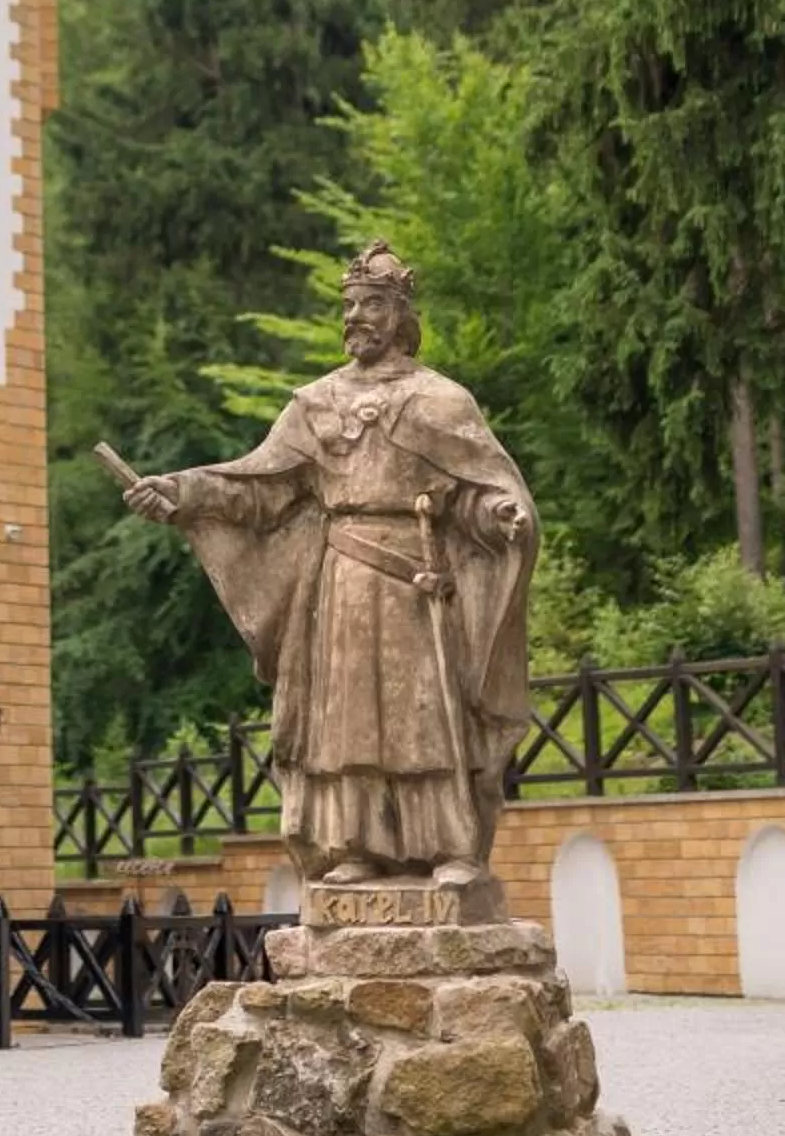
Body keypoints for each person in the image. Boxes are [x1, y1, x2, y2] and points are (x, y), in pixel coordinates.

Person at [119, 241, 536, 887]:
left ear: (399, 315)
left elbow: (474, 495)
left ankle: (449, 848)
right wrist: (182, 493)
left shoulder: (442, 400)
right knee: (349, 723)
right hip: (341, 579)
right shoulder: (315, 402)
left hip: (417, 582)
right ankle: (356, 848)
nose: (355, 317)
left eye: (371, 304)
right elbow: (259, 487)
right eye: (349, 305)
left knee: (424, 714)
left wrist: (501, 516)